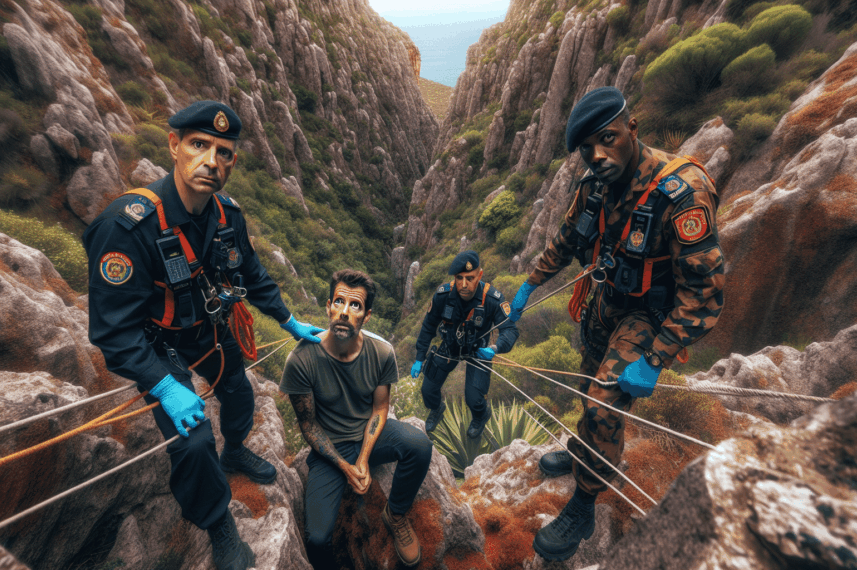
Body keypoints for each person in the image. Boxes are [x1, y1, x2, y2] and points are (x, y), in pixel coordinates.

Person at [83, 101, 324, 570]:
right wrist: (165, 385)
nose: (212, 161)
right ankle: (219, 525)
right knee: (192, 441)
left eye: (224, 152)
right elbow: (113, 330)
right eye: (199, 145)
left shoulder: (227, 216)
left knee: (239, 394)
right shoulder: (127, 226)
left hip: (205, 327)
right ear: (174, 146)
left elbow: (252, 273)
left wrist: (289, 320)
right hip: (153, 341)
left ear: (232, 161)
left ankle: (234, 451)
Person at [509, 86, 724, 561]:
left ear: (632, 128)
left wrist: (655, 358)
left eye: (608, 139)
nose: (598, 156)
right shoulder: (595, 189)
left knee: (604, 404)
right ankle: (587, 450)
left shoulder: (682, 192)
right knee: (587, 385)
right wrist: (529, 286)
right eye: (587, 148)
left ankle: (585, 502)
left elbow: (704, 291)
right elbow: (566, 240)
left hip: (649, 314)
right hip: (606, 302)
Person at [280, 269, 433, 568]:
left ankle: (395, 513)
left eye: (355, 305)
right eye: (339, 301)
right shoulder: (301, 360)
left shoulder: (381, 352)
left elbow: (380, 409)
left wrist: (363, 458)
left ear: (367, 316)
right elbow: (308, 425)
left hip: (369, 435)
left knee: (419, 446)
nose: (344, 312)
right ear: (328, 306)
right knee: (317, 539)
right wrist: (345, 467)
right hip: (330, 449)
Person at [410, 251, 520, 437]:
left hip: (479, 351)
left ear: (480, 275)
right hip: (450, 346)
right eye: (459, 278)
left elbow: (510, 330)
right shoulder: (443, 295)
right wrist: (420, 357)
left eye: (470, 278)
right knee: (427, 390)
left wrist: (495, 348)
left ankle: (480, 415)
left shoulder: (492, 299)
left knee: (474, 399)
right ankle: (436, 409)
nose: (463, 284)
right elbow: (428, 326)